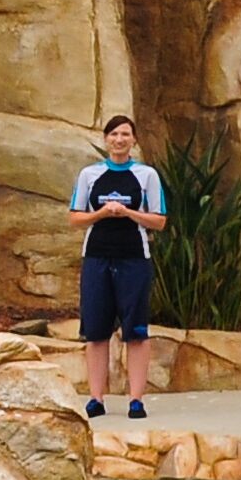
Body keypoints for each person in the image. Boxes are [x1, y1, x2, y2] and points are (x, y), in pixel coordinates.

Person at [68, 113, 168, 419]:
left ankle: (136, 400)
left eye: (125, 134)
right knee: (96, 331)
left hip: (134, 258)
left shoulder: (146, 175)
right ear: (106, 139)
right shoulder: (90, 175)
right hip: (97, 257)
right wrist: (101, 213)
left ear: (134, 140)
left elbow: (159, 220)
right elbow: (75, 217)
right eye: (114, 134)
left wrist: (129, 212)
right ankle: (96, 398)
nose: (119, 140)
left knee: (136, 330)